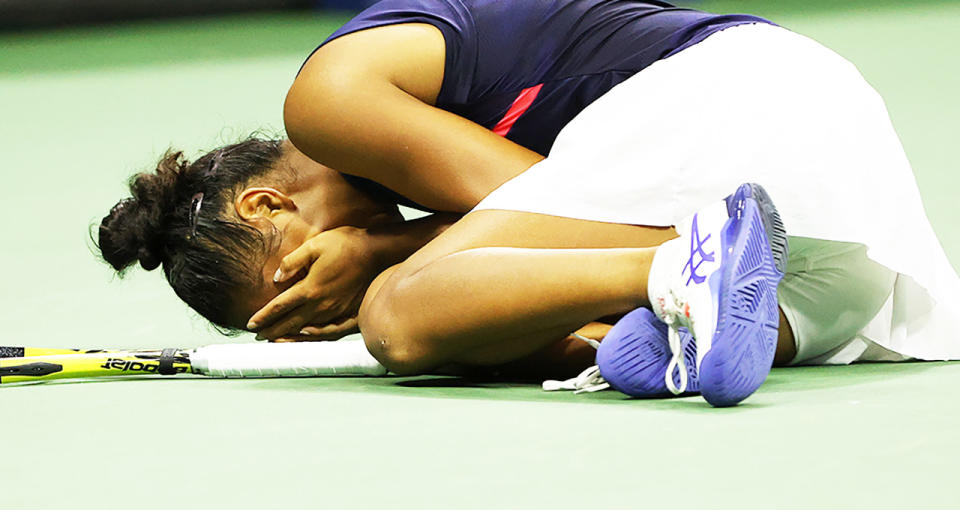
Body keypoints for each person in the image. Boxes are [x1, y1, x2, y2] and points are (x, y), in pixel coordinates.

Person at [97, 0, 960, 406]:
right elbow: (558, 237)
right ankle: (680, 305)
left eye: (305, 293)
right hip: (823, 221)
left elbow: (525, 190)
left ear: (265, 206)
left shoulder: (328, 97)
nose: (333, 316)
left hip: (742, 99)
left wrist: (380, 263)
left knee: (405, 314)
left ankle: (675, 266)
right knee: (605, 342)